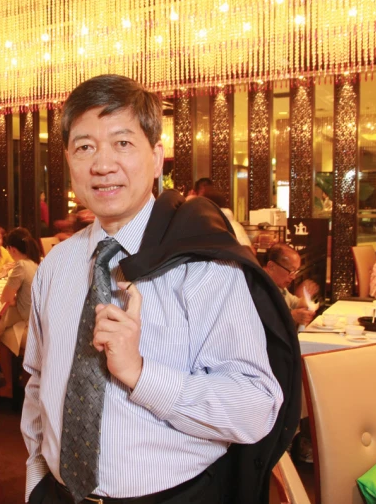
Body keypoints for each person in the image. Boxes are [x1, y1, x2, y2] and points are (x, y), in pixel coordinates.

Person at [22, 75, 282, 504]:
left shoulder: (204, 266)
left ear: (157, 157)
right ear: (68, 160)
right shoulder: (56, 267)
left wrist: (141, 373)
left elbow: (255, 408)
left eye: (122, 143)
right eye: (84, 146)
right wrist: (36, 480)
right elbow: (37, 382)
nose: (102, 164)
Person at [263, 243, 319, 326]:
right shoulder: (258, 287)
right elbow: (263, 318)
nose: (293, 277)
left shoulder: (279, 285)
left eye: (295, 271)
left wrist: (307, 299)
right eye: (291, 271)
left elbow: (294, 303)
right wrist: (291, 316)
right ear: (271, 266)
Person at [1, 228, 41, 328]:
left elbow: (5, 299)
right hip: (41, 322)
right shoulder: (36, 262)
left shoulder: (21, 265)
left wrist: (15, 301)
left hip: (29, 325)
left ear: (12, 249)